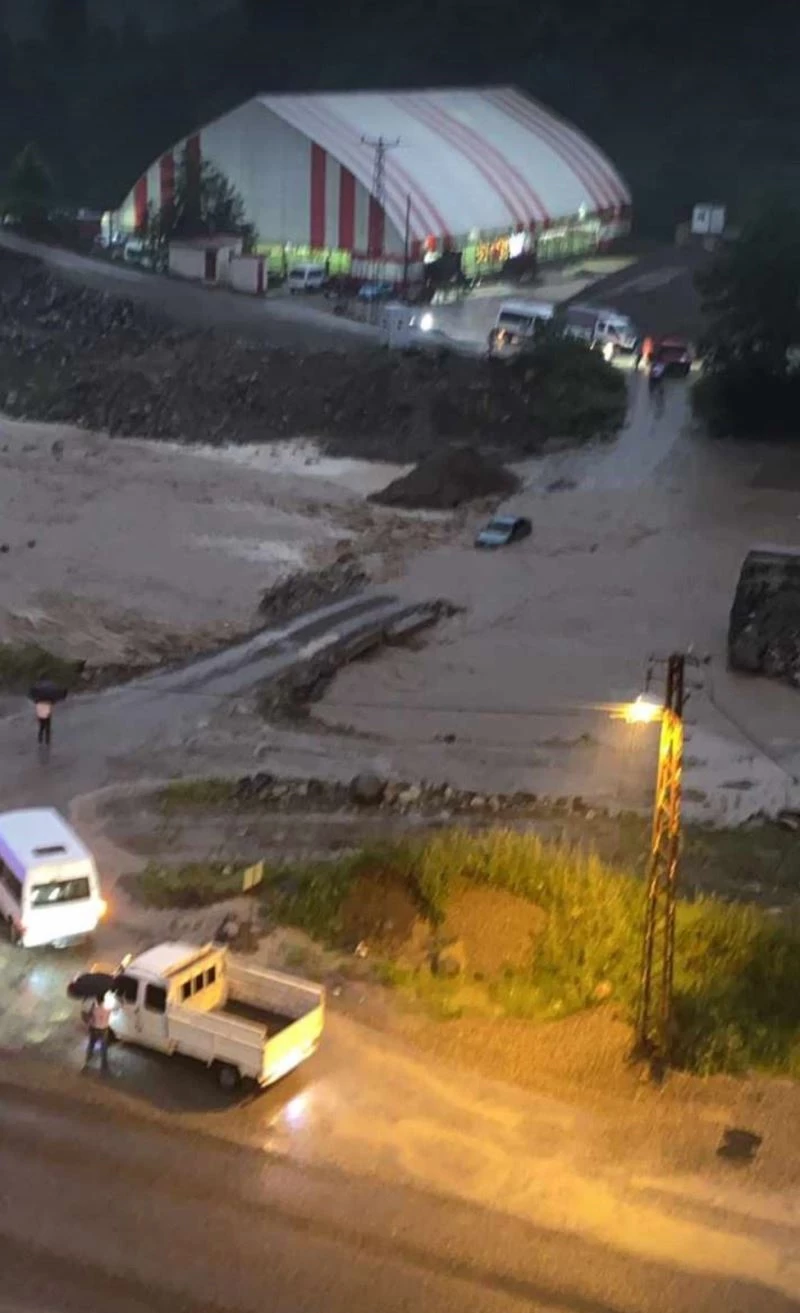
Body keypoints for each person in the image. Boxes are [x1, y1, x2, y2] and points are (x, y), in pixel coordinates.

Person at [83, 994, 112, 1073]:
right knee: (104, 1048)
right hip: (104, 1029)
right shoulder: (108, 1008)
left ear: (97, 1000)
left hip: (95, 1029)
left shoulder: (94, 1009)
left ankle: (87, 1064)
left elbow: (88, 1018)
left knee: (91, 1046)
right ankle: (104, 1066)